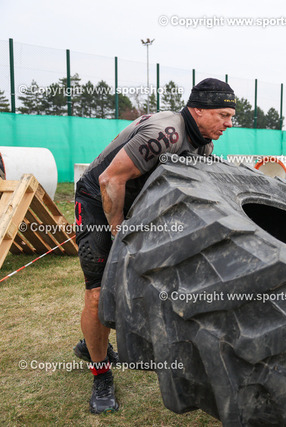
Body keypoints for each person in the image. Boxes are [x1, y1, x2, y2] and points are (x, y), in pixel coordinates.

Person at [73, 78, 236, 414]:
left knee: (146, 281)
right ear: (198, 110)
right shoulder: (167, 134)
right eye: (223, 115)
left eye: (231, 117)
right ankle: (101, 374)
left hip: (136, 206)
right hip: (98, 199)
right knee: (98, 292)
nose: (229, 124)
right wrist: (119, 232)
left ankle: (91, 344)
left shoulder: (203, 145)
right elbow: (110, 179)